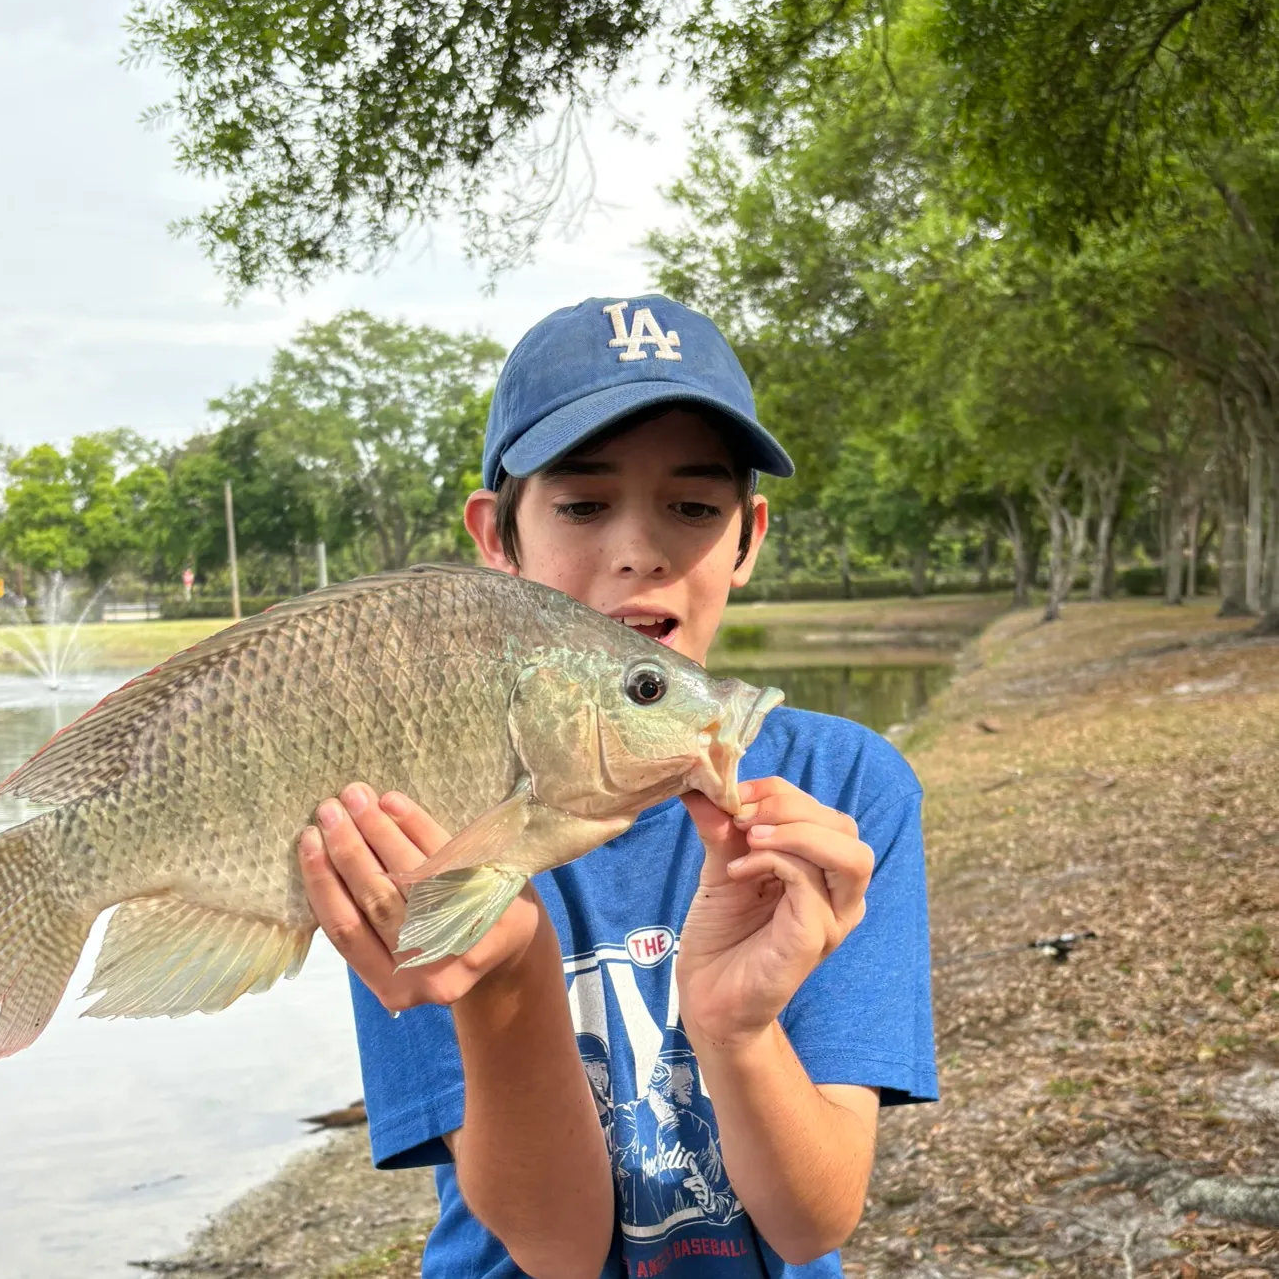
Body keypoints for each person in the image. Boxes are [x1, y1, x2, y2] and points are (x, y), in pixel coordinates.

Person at [296, 295, 938, 1278]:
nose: (641, 549)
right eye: (583, 504)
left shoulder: (847, 792)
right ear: (498, 542)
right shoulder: (412, 800)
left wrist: (738, 1027)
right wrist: (502, 974)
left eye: (694, 505)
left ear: (748, 537)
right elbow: (554, 1248)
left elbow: (815, 1221)